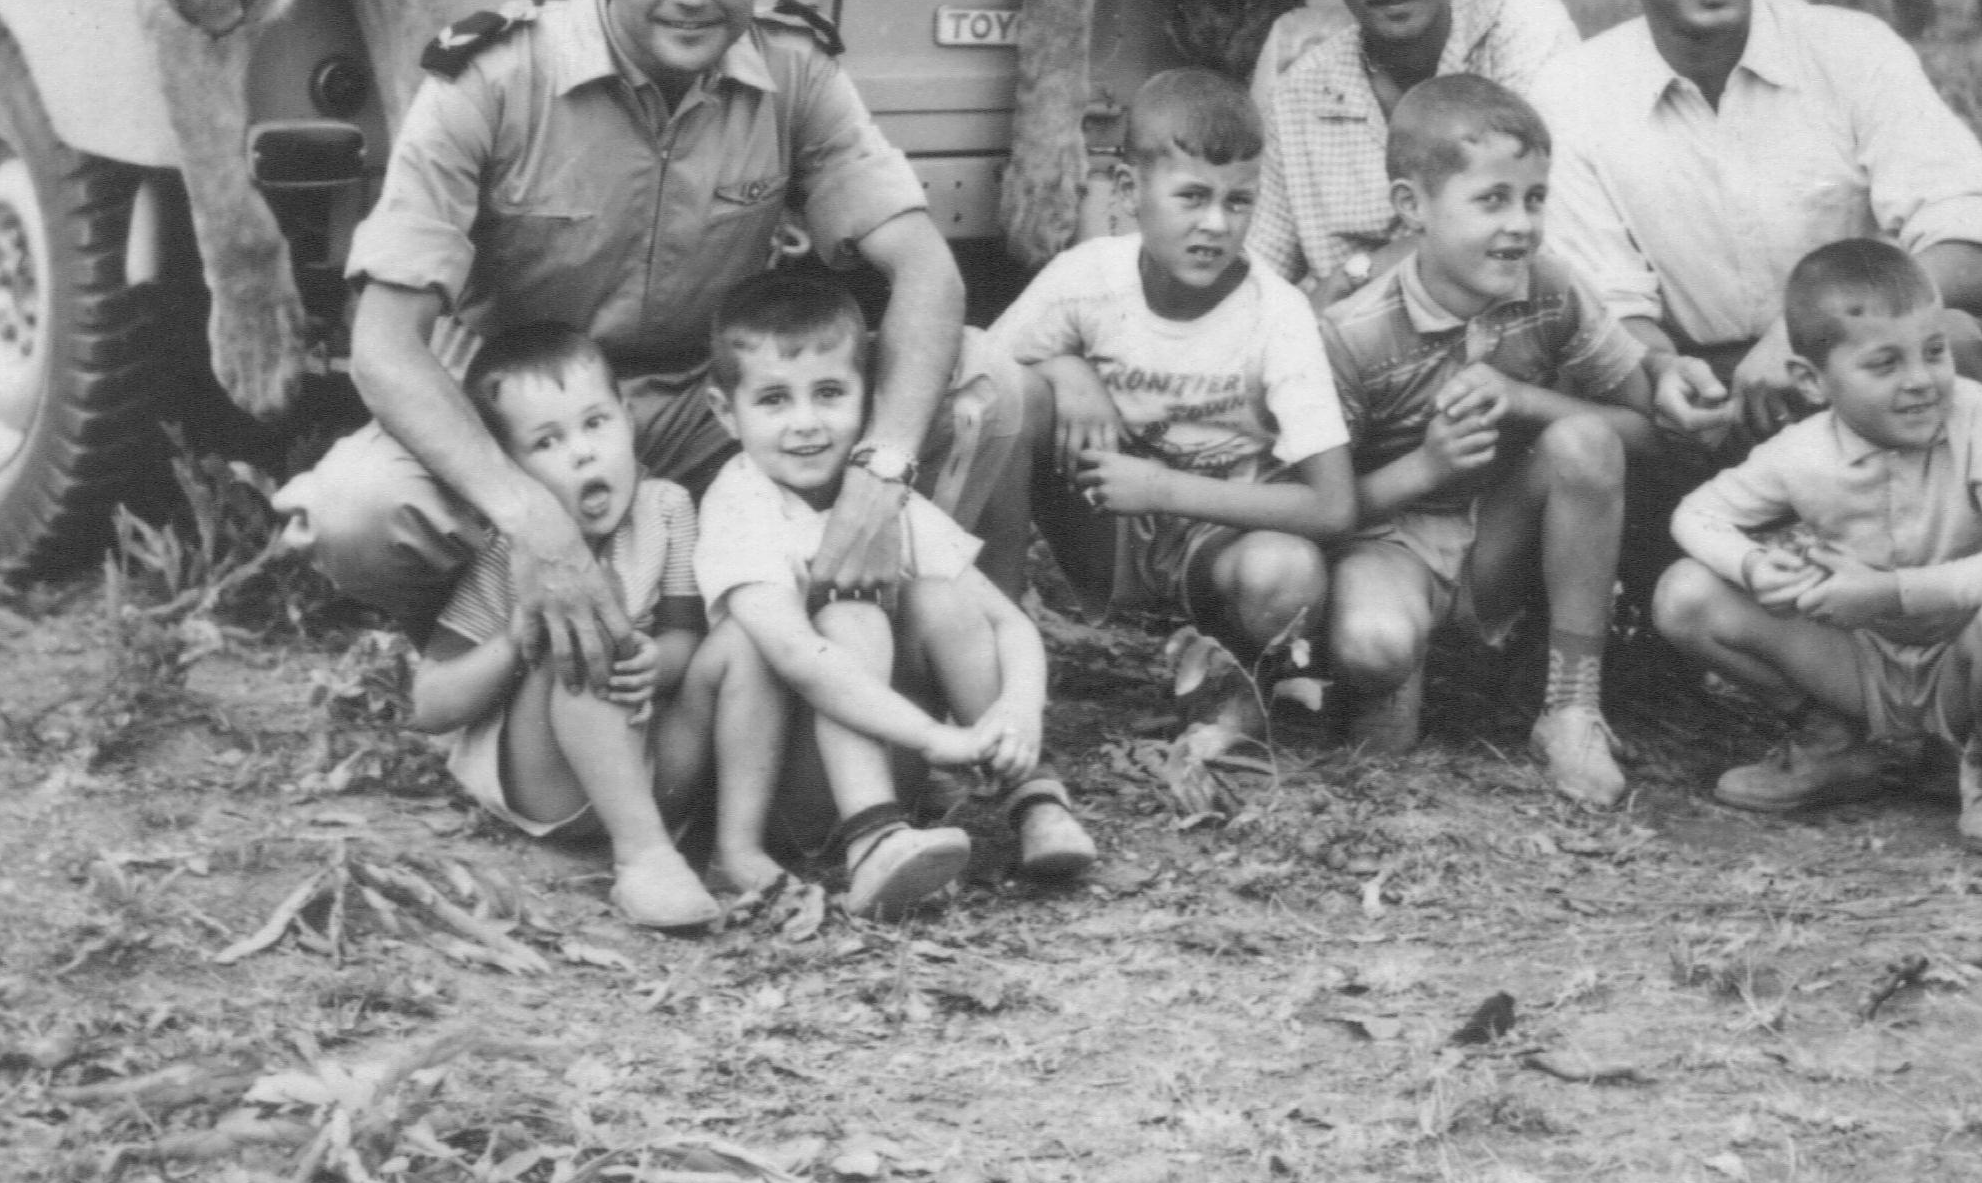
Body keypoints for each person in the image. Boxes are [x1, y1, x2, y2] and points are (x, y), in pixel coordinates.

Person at [273, 0, 1046, 694]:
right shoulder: (491, 80)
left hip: (706, 408)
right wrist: (528, 518)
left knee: (989, 386)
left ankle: (899, 640)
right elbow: (383, 345)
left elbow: (927, 272)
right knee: (358, 510)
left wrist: (882, 470)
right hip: (529, 414)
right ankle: (484, 652)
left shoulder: (794, 70)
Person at [1534, 0, 1982, 585]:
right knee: (1586, 402)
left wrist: (1804, 334)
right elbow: (1609, 304)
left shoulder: (1851, 48)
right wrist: (1662, 373)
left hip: (1847, 369)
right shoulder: (1571, 93)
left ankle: (1945, 602)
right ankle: (1661, 619)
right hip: (1695, 408)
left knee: (1954, 342)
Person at [692, 270, 1098, 917]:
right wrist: (933, 738)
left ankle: (1034, 801)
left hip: (889, 757)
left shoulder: (878, 498)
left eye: (829, 393)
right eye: (773, 400)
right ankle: (871, 839)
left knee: (940, 599)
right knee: (851, 616)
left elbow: (1008, 623)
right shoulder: (742, 502)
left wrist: (1019, 710)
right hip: (786, 786)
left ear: (870, 396)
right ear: (724, 411)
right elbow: (799, 658)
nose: (806, 423)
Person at [1654, 240, 1982, 855]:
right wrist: (1754, 566)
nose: (1921, 381)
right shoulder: (1802, 450)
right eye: (1884, 364)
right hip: (1858, 663)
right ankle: (1831, 742)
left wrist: (1886, 592)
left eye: (1935, 352)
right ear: (1812, 381)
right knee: (1685, 595)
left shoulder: (1976, 415)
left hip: (1963, 661)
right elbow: (1697, 513)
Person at [1320, 76, 1662, 803]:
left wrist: (1524, 400)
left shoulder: (1552, 291)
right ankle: (1382, 669)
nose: (1521, 225)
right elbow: (1317, 510)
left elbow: (1644, 430)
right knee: (1377, 672)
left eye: (1534, 199)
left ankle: (1571, 708)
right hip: (1387, 545)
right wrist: (1427, 466)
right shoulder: (1353, 334)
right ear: (1412, 206)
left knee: (1585, 442)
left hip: (1496, 540)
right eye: (1492, 200)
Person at [408, 323, 787, 930]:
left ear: (628, 420)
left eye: (596, 423)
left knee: (743, 638)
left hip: (656, 765)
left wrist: (657, 662)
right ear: (509, 467)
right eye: (547, 441)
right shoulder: (512, 549)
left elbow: (686, 637)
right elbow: (429, 706)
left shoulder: (666, 509)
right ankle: (644, 858)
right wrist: (517, 640)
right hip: (549, 781)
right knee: (587, 628)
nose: (583, 452)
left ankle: (736, 848)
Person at [992, 70, 1356, 662]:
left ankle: (1232, 674)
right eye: (1192, 196)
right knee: (1012, 392)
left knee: (1286, 571)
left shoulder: (1278, 313)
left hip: (1217, 538)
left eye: (1238, 201)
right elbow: (976, 372)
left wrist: (1162, 488)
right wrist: (1064, 372)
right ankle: (998, 626)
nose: (1216, 224)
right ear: (1129, 191)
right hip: (1101, 524)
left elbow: (1334, 506)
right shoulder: (1087, 277)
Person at [1249, 0, 1579, 304]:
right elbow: (1257, 276)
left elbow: (1550, 211)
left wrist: (1353, 279)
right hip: (1355, 350)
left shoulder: (1516, 18)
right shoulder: (1300, 96)